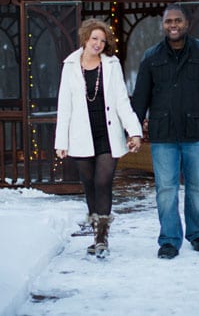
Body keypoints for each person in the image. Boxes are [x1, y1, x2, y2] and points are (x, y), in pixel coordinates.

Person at [131, 4, 199, 259]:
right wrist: (134, 129)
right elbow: (140, 97)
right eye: (168, 21)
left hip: (195, 133)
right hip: (163, 135)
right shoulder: (152, 56)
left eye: (178, 21)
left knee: (196, 187)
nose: (173, 25)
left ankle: (197, 235)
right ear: (163, 25)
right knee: (166, 189)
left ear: (186, 23)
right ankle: (169, 240)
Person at [55, 18, 143, 258]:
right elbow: (65, 106)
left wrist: (134, 132)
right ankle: (96, 232)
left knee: (103, 182)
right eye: (95, 38)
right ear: (85, 38)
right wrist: (61, 142)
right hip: (81, 136)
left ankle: (102, 237)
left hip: (107, 134)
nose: (98, 44)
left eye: (103, 40)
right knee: (89, 184)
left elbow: (122, 102)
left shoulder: (112, 65)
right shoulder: (70, 65)